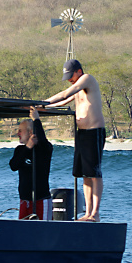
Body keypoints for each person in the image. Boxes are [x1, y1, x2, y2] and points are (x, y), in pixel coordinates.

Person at [45, 59, 105, 222]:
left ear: (79, 71)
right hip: (82, 134)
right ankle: (87, 213)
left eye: (71, 76)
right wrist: (42, 108)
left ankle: (95, 213)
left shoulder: (87, 79)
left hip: (94, 132)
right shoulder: (77, 87)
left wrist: (41, 102)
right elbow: (64, 101)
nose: (70, 80)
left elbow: (65, 94)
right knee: (84, 175)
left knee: (94, 174)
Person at [9, 107, 53, 220]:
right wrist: (28, 147)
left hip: (41, 199)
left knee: (42, 229)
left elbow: (42, 140)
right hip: (24, 199)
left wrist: (36, 120)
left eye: (20, 130)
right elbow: (14, 166)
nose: (17, 133)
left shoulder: (44, 149)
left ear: (30, 132)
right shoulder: (20, 150)